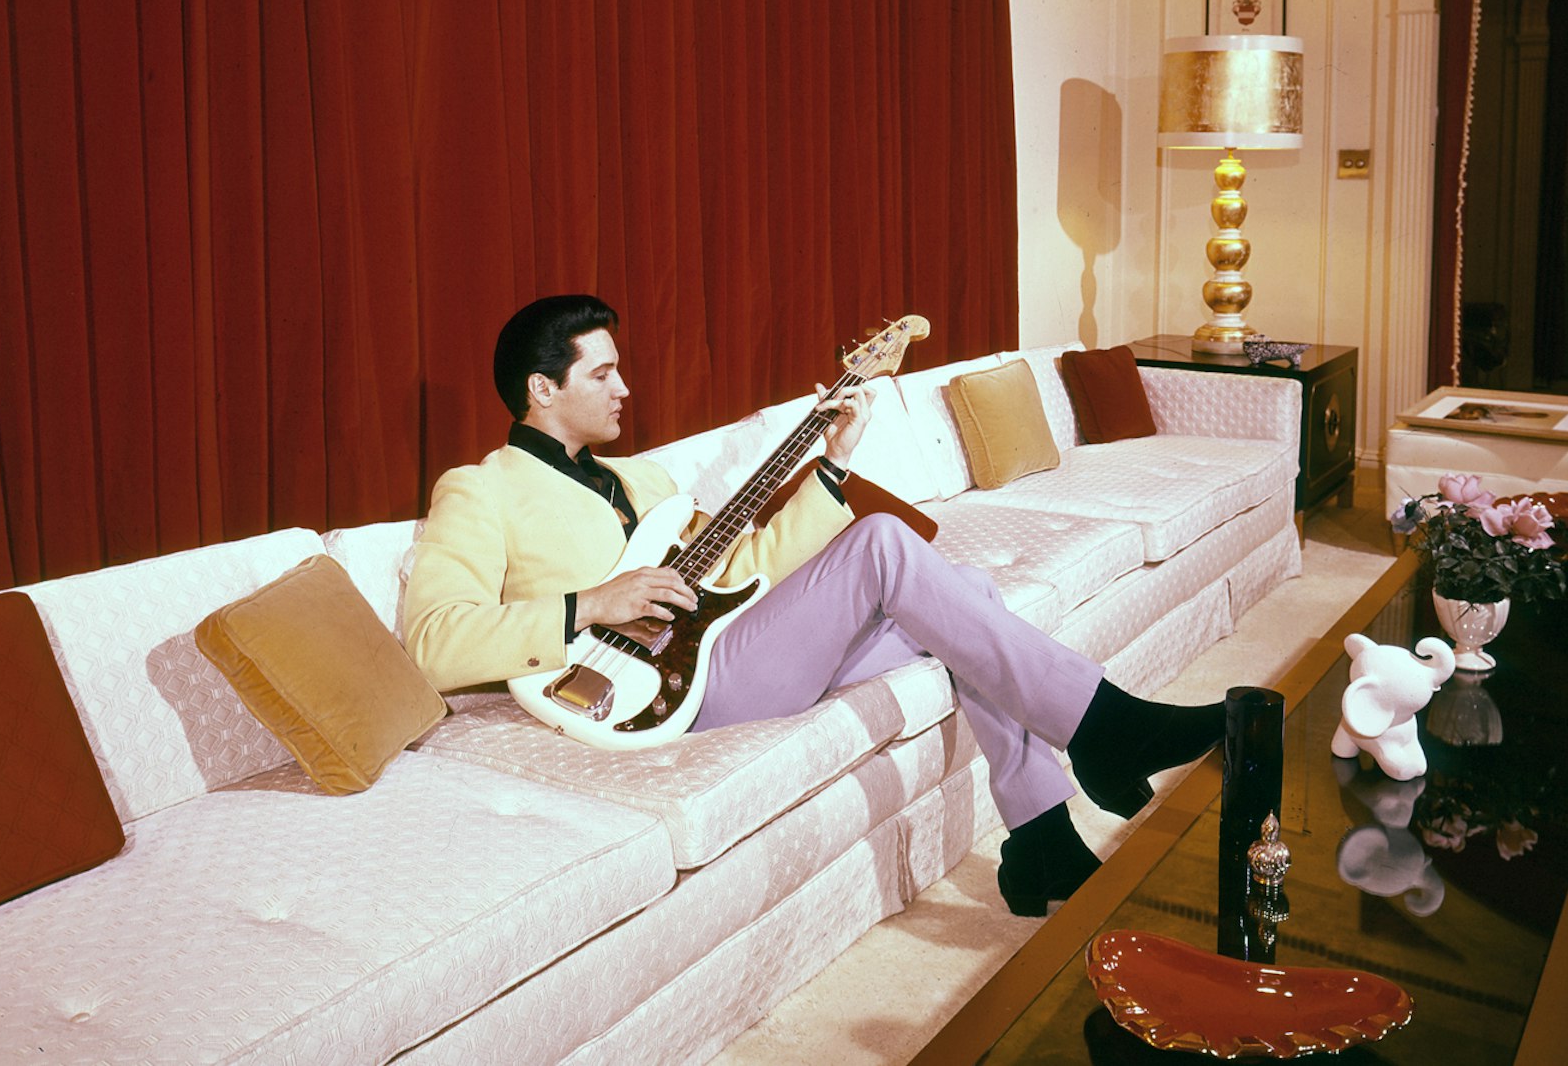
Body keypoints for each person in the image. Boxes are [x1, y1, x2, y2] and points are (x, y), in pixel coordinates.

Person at [404, 294, 1228, 916]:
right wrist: (590, 602)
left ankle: (1040, 842)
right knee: (884, 545)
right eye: (603, 372)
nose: (626, 386)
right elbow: (434, 641)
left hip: (729, 650)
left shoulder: (642, 480)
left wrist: (832, 464)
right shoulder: (482, 489)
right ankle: (1110, 730)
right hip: (654, 692)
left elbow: (748, 569)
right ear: (541, 389)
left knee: (969, 599)